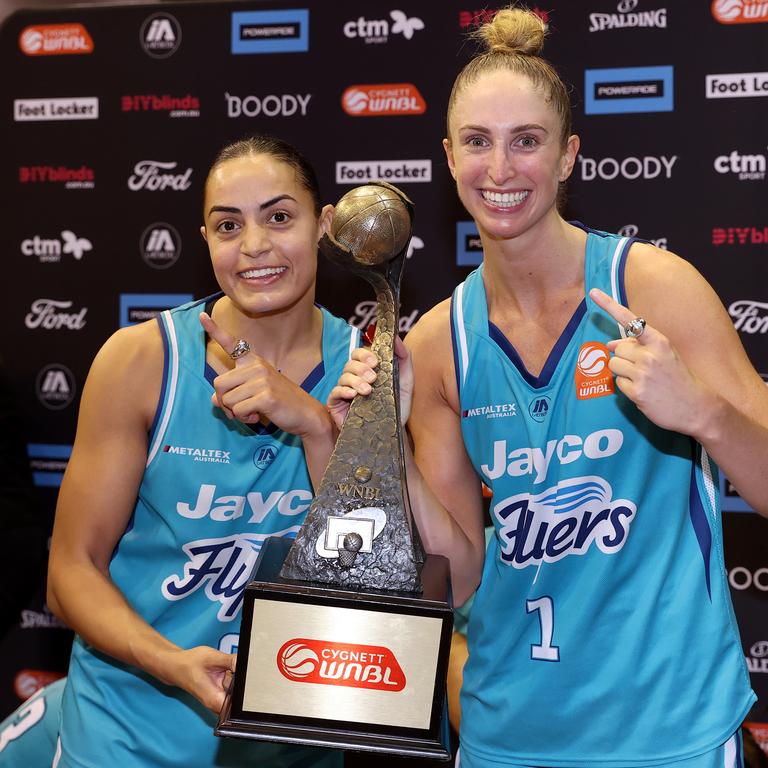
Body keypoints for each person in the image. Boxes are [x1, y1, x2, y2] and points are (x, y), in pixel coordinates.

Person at [330, 7, 768, 767]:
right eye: (477, 142)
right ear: (447, 155)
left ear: (568, 157)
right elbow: (459, 574)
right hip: (510, 737)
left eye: (526, 141)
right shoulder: (437, 342)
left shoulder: (654, 289)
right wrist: (384, 444)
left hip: (672, 733)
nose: (500, 171)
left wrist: (701, 413)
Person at [47, 135, 358, 767]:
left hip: (291, 746)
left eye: (278, 217)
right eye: (227, 225)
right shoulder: (140, 360)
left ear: (323, 224)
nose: (254, 247)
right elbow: (69, 571)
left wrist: (317, 425)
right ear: (205, 239)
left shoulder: (368, 371)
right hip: (126, 735)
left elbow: (378, 582)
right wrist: (171, 663)